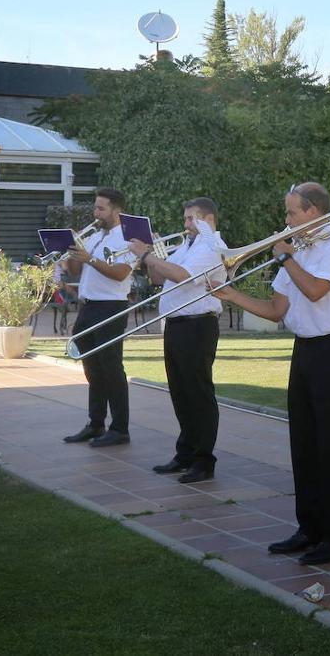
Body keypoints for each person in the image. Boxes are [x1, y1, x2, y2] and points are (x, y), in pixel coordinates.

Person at [212, 182, 330, 565]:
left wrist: (286, 259)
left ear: (313, 211)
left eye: (292, 213)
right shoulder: (298, 251)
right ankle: (308, 527)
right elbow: (278, 309)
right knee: (304, 444)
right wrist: (232, 295)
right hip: (304, 351)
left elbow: (315, 291)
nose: (286, 220)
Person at [129, 197, 226, 484]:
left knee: (198, 393)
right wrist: (150, 256)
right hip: (176, 324)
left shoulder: (211, 247)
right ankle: (185, 453)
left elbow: (183, 276)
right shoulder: (187, 245)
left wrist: (148, 256)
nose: (185, 225)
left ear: (207, 220)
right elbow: (160, 278)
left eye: (190, 219)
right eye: (184, 219)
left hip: (198, 326)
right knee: (180, 392)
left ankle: (203, 460)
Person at [62, 187, 135, 447]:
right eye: (95, 207)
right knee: (91, 366)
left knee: (112, 368)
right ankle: (95, 423)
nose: (96, 213)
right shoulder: (93, 236)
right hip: (89, 305)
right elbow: (75, 270)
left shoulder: (128, 238)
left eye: (101, 208)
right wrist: (70, 255)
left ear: (117, 211)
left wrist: (89, 258)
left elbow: (120, 273)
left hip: (112, 307)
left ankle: (120, 428)